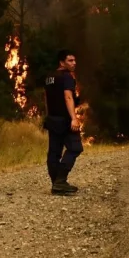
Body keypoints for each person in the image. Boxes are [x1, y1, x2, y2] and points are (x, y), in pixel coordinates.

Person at [44, 50, 84, 195]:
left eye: (74, 60)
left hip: (52, 119)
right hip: (65, 120)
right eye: (70, 60)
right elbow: (68, 97)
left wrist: (48, 116)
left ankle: (56, 184)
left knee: (54, 152)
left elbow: (46, 98)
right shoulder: (66, 77)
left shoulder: (49, 77)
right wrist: (73, 118)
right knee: (75, 148)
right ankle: (60, 180)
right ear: (62, 62)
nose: (74, 63)